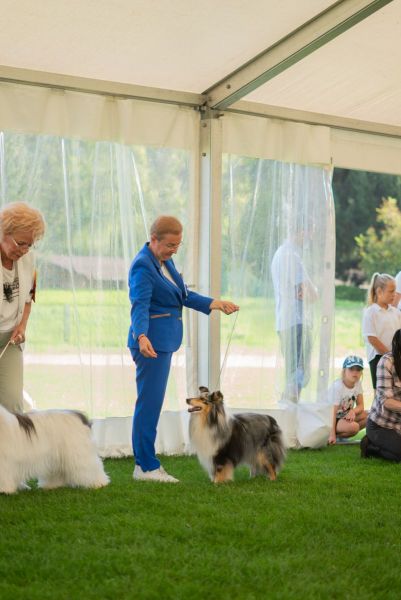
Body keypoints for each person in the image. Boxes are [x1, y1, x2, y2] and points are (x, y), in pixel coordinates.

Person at [128, 215, 239, 483]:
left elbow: (183, 295)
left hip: (162, 342)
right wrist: (141, 336)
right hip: (150, 345)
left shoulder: (164, 261)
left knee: (151, 404)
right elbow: (139, 304)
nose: (174, 250)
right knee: (148, 406)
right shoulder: (143, 265)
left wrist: (215, 303)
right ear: (153, 239)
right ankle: (145, 466)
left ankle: (144, 464)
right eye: (170, 245)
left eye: (178, 245)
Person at [0, 201, 45, 412]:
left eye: (30, 245)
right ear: (3, 231)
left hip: (10, 339)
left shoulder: (29, 259)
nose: (25, 250)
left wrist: (22, 326)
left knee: (13, 404)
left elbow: (29, 296)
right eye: (20, 243)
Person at [271, 231, 317, 403]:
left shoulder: (282, 253)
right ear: (300, 231)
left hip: (286, 320)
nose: (310, 237)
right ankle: (289, 407)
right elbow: (309, 293)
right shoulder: (291, 256)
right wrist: (313, 291)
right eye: (309, 231)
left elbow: (305, 292)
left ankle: (288, 406)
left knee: (294, 370)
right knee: (298, 370)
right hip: (295, 321)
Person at [361, 329, 401, 461]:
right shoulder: (386, 362)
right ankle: (369, 445)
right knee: (398, 454)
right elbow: (386, 401)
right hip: (381, 425)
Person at [362, 273, 401, 391]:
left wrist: (396, 357)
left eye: (395, 291)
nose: (395, 294)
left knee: (395, 391)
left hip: (396, 358)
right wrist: (390, 356)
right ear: (379, 292)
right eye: (391, 291)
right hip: (378, 358)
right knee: (380, 392)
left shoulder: (396, 313)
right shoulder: (370, 312)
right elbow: (372, 339)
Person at [328, 355, 368, 445]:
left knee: (370, 417)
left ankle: (343, 433)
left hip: (344, 416)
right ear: (344, 371)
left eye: (358, 370)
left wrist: (353, 411)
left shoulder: (357, 383)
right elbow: (332, 413)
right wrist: (332, 434)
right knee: (354, 427)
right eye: (351, 369)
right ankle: (335, 435)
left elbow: (361, 406)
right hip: (331, 419)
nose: (355, 372)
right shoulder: (337, 386)